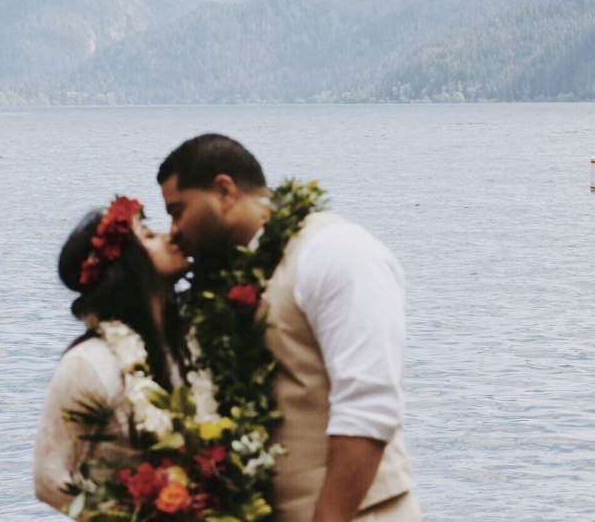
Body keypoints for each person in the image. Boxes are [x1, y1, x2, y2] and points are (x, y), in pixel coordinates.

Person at [158, 134, 420, 522]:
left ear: (224, 191)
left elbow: (368, 408)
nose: (173, 230)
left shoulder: (334, 251)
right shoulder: (231, 284)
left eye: (177, 211)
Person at [33, 197, 190, 513]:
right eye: (148, 235)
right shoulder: (89, 363)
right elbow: (49, 480)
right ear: (128, 266)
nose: (168, 236)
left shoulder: (182, 344)